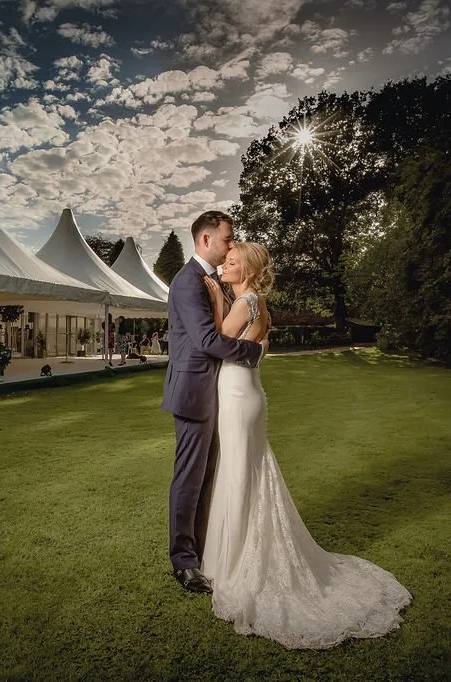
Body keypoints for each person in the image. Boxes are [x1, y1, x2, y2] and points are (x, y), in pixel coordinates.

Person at [198, 242, 411, 649]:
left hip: (239, 395)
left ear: (248, 269)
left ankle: (236, 563)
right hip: (244, 391)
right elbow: (253, 350)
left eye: (231, 262)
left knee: (241, 472)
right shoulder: (259, 302)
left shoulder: (245, 302)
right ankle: (230, 556)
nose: (224, 265)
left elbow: (217, 339)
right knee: (245, 469)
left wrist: (213, 298)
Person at [160, 210, 266, 597]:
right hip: (193, 392)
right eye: (227, 239)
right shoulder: (188, 282)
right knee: (189, 478)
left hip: (215, 391)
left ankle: (204, 552)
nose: (230, 245)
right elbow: (207, 340)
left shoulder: (212, 282)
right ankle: (183, 562)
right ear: (206, 240)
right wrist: (253, 351)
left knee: (208, 477)